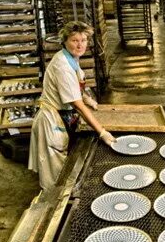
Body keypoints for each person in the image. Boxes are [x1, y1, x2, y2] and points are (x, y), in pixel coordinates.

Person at [29, 21, 115, 189]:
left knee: (63, 167)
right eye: (75, 40)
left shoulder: (71, 59)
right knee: (55, 175)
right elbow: (77, 105)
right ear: (65, 41)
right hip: (52, 121)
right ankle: (54, 208)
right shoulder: (62, 66)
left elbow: (74, 86)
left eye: (83, 40)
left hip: (62, 116)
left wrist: (87, 98)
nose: (80, 45)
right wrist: (102, 132)